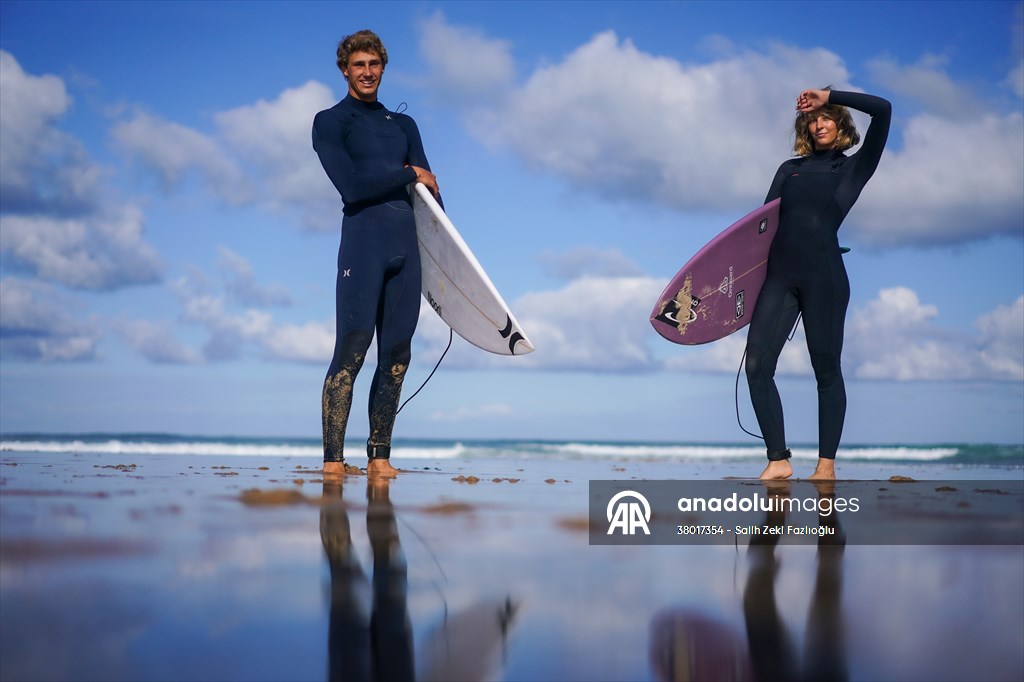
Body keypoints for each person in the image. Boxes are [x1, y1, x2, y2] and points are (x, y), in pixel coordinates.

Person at [313, 30, 440, 478]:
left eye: (374, 64)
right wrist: (408, 174)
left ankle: (379, 457)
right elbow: (351, 187)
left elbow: (430, 197)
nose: (367, 72)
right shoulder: (331, 122)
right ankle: (332, 462)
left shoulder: (403, 126)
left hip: (407, 249)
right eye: (358, 65)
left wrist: (447, 255)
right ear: (345, 69)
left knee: (398, 355)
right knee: (352, 349)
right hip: (364, 245)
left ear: (383, 68)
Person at [745, 88, 891, 480]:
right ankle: (778, 458)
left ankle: (826, 466)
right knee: (757, 366)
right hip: (779, 276)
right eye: (813, 118)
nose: (819, 123)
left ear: (840, 124)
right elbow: (759, 230)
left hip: (823, 275)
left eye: (827, 116)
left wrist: (829, 94)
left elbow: (884, 110)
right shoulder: (788, 169)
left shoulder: (853, 168)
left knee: (825, 370)